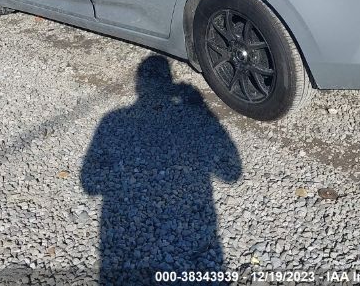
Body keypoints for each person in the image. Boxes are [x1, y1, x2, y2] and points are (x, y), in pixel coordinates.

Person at [81, 55, 242, 285]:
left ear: (138, 85)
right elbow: (231, 173)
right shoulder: (192, 118)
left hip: (125, 244)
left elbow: (90, 184)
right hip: (197, 238)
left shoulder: (112, 121)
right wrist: (202, 108)